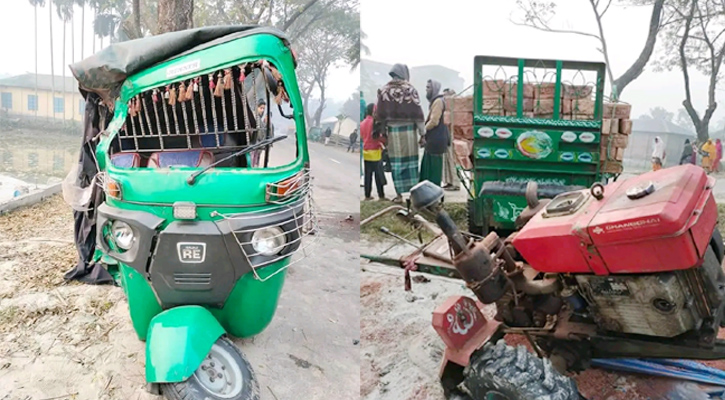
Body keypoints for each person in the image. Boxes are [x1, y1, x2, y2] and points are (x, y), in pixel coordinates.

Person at [373, 63, 425, 203]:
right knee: (411, 164)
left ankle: (399, 195)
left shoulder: (384, 90)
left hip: (393, 133)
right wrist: (423, 134)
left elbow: (379, 116)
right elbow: (418, 115)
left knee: (396, 164)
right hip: (409, 132)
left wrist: (382, 134)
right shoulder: (410, 90)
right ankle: (413, 194)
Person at [419, 79, 449, 187]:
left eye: (428, 87)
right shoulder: (435, 101)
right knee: (427, 168)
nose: (426, 90)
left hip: (436, 140)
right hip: (433, 140)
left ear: (434, 89)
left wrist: (423, 131)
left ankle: (433, 193)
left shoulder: (438, 102)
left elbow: (434, 121)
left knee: (433, 170)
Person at [361, 103, 386, 200]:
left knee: (368, 175)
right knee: (378, 174)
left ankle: (367, 195)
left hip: (366, 151)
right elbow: (379, 137)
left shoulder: (362, 123)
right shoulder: (375, 123)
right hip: (375, 151)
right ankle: (381, 195)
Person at [440, 89, 460, 191]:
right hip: (446, 135)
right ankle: (448, 181)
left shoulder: (455, 110)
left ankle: (455, 183)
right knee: (446, 159)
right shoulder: (446, 109)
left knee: (452, 160)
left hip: (453, 136)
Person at [252, 99, 268, 167]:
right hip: (254, 145)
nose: (262, 110)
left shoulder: (259, 118)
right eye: (261, 108)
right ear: (256, 107)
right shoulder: (254, 117)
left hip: (258, 145)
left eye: (263, 108)